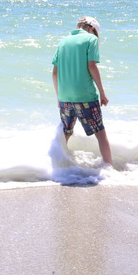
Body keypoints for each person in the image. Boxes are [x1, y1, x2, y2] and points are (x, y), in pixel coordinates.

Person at [52, 16, 113, 167]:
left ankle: (59, 166)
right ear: (92, 29)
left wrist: (59, 96)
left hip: (65, 96)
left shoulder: (63, 42)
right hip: (85, 95)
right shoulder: (90, 39)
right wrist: (102, 93)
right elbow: (91, 66)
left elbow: (54, 72)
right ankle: (108, 167)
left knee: (66, 132)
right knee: (100, 133)